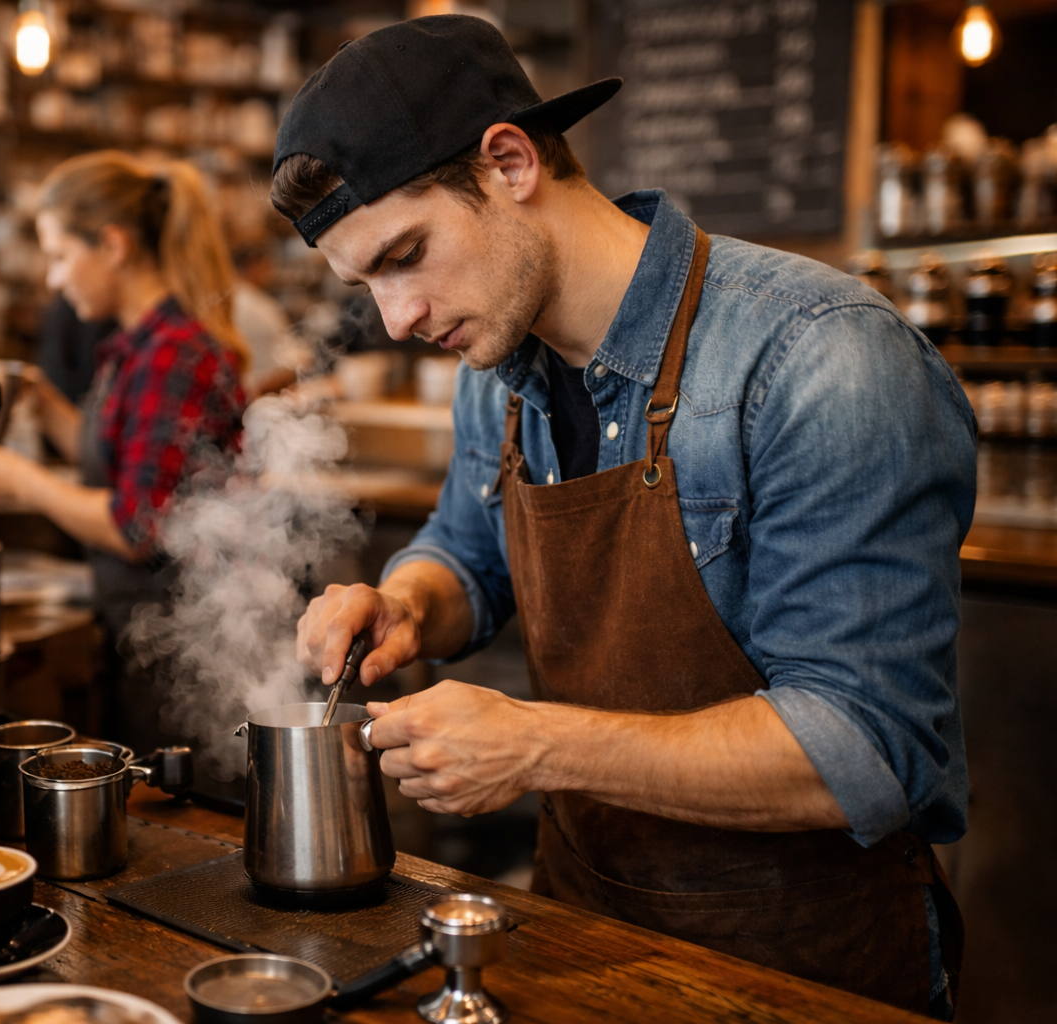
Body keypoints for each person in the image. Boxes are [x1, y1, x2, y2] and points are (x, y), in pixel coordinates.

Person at [280, 16, 973, 1019]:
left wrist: (537, 745)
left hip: (801, 967)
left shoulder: (822, 359)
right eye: (365, 286)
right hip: (581, 929)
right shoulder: (499, 366)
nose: (399, 319)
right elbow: (471, 553)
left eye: (406, 255)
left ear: (510, 161)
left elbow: (867, 750)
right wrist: (408, 602)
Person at [0, 151, 248, 752]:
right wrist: (40, 397)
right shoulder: (137, 346)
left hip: (180, 650)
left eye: (60, 255)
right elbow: (126, 462)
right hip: (139, 634)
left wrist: (21, 479)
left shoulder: (172, 354)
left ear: (114, 245)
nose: (53, 278)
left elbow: (136, 525)